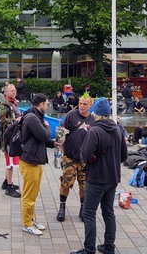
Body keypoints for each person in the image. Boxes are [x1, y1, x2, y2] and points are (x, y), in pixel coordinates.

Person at [70, 98, 127, 254]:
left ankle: (89, 249)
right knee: (108, 212)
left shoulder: (95, 131)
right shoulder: (117, 129)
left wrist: (92, 159)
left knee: (89, 213)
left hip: (96, 178)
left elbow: (84, 155)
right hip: (113, 178)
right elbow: (124, 155)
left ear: (95, 113)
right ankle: (109, 246)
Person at [57, 94, 94, 222]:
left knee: (84, 185)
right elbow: (61, 130)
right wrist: (59, 142)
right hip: (70, 156)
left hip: (85, 159)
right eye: (80, 104)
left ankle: (83, 208)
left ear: (91, 105)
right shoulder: (71, 115)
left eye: (85, 104)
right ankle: (62, 206)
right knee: (66, 182)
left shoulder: (93, 120)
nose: (82, 106)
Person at [19, 93, 51, 236]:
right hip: (30, 160)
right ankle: (27, 224)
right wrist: (48, 127)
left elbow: (38, 138)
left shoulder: (35, 116)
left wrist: (53, 143)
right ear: (41, 104)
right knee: (29, 195)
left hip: (35, 160)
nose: (47, 106)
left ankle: (30, 219)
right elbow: (44, 135)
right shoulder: (32, 118)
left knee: (33, 193)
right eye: (47, 104)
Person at [0, 85, 22, 198]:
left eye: (15, 90)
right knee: (10, 162)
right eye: (11, 91)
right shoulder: (3, 104)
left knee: (10, 160)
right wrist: (15, 121)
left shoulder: (12, 102)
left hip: (13, 134)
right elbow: (0, 120)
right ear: (6, 92)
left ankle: (6, 182)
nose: (14, 92)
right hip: (8, 137)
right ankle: (9, 187)